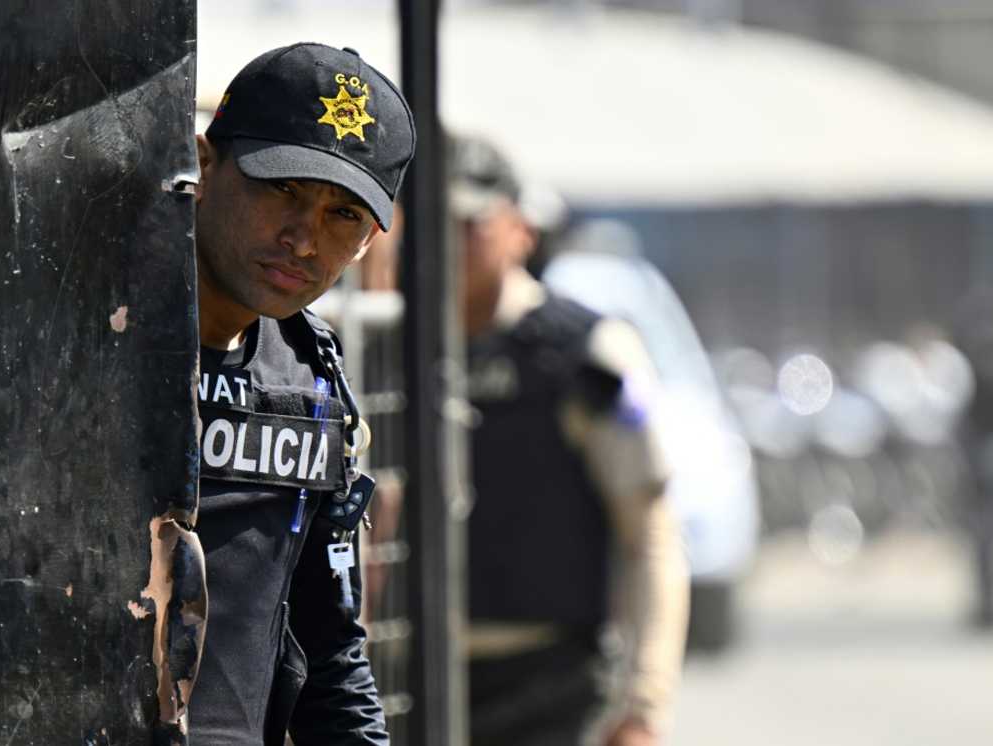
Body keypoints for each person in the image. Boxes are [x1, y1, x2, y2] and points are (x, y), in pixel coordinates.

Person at [189, 43, 414, 744]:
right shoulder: (72, 349)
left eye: (342, 215)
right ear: (203, 166)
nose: (303, 239)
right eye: (282, 188)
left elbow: (331, 654)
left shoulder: (311, 378)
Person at [454, 135, 690, 746]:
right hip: (405, 675)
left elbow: (651, 538)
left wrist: (644, 703)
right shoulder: (381, 349)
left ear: (519, 231)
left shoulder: (587, 353)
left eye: (469, 224)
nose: (447, 243)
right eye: (430, 223)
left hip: (549, 689)